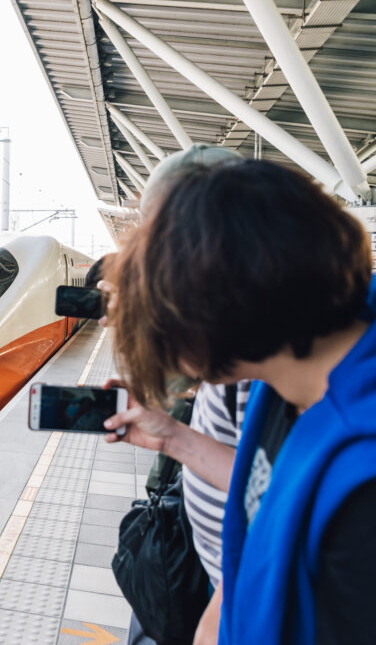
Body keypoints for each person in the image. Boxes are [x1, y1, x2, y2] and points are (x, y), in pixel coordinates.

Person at [107, 158, 375, 644]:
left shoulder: (362, 492)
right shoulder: (289, 385)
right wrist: (173, 439)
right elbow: (267, 487)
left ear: (216, 316)